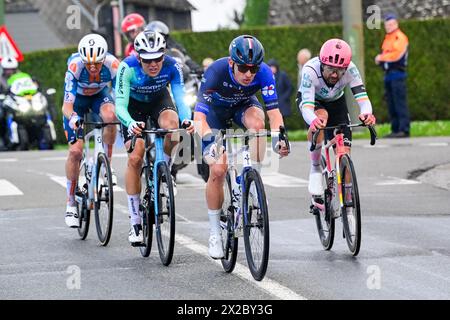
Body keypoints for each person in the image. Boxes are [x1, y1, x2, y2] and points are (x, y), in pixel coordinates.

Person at [193, 35, 290, 259]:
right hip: (215, 115)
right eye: (243, 68)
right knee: (217, 170)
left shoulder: (265, 73)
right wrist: (208, 141)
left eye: (253, 68)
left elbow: (274, 113)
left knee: (258, 124)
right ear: (231, 63)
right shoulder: (216, 72)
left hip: (243, 107)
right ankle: (215, 232)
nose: (248, 74)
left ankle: (251, 178)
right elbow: (199, 116)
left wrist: (279, 138)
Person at [114, 30, 194, 245]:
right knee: (135, 157)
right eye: (147, 60)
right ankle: (136, 221)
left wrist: (187, 119)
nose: (153, 64)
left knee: (174, 129)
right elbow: (119, 105)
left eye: (158, 58)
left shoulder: (172, 65)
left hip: (159, 100)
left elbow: (179, 96)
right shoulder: (127, 67)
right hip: (133, 107)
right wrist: (130, 123)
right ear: (138, 56)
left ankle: (164, 172)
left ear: (163, 54)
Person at [297, 39, 376, 196]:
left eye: (339, 71)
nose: (334, 74)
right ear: (322, 63)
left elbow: (363, 99)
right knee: (322, 117)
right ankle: (315, 168)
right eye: (330, 69)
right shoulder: (310, 70)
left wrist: (367, 113)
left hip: (336, 102)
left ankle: (347, 203)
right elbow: (306, 107)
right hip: (313, 102)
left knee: (344, 153)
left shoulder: (351, 70)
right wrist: (313, 120)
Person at [62, 34, 120, 228]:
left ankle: (107, 165)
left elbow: (122, 95)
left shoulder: (113, 65)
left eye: (97, 63)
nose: (93, 67)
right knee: (75, 151)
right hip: (76, 102)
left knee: (111, 117)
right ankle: (70, 203)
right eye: (89, 63)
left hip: (99, 97)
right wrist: (73, 118)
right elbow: (67, 106)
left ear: (104, 58)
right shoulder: (75, 67)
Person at [375, 13, 410, 138]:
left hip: (397, 73)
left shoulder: (399, 37)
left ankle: (404, 129)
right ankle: (395, 129)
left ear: (396, 24)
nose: (388, 27)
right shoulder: (388, 38)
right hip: (388, 74)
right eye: (386, 25)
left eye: (391, 24)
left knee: (399, 102)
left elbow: (397, 56)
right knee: (391, 103)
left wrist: (381, 58)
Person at [267, 59, 293, 124]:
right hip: (272, 103)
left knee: (282, 121)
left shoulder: (283, 75)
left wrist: (285, 97)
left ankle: (283, 134)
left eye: (273, 67)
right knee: (273, 121)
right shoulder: (267, 77)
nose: (272, 69)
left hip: (282, 104)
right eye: (270, 67)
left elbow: (290, 87)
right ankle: (275, 133)